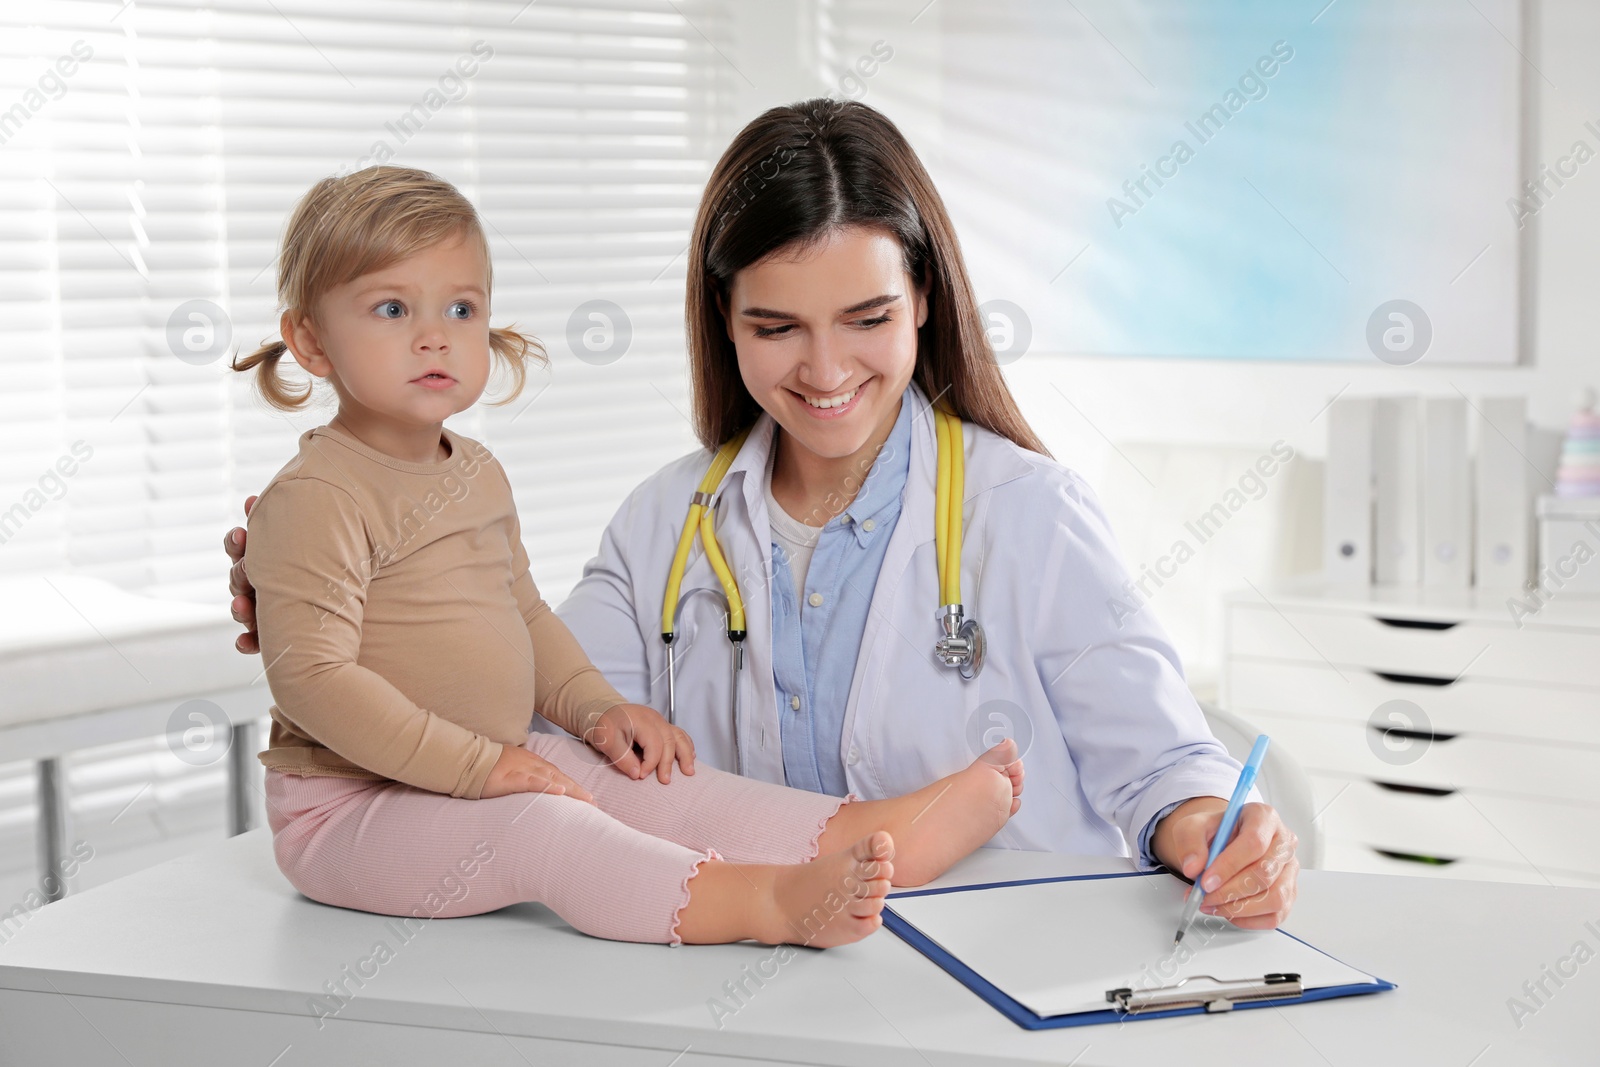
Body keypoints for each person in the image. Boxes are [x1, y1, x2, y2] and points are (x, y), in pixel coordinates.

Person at [229, 100, 1298, 930]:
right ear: (723, 322)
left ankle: (887, 842)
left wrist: (1214, 832)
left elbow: (1162, 769)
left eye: (868, 317)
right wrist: (371, 604)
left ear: (924, 299)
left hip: (1002, 969)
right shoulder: (666, 522)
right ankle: (835, 865)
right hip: (762, 984)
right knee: (614, 782)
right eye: (777, 325)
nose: (826, 369)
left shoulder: (1029, 513)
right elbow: (551, 739)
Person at [228, 165, 1024, 947]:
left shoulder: (472, 472)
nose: (435, 334)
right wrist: (481, 768)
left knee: (651, 781)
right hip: (350, 806)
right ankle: (766, 903)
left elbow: (524, 615)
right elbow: (316, 680)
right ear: (311, 340)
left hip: (482, 763)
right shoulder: (317, 496)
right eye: (392, 307)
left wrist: (595, 709)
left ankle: (869, 830)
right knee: (543, 827)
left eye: (462, 307)